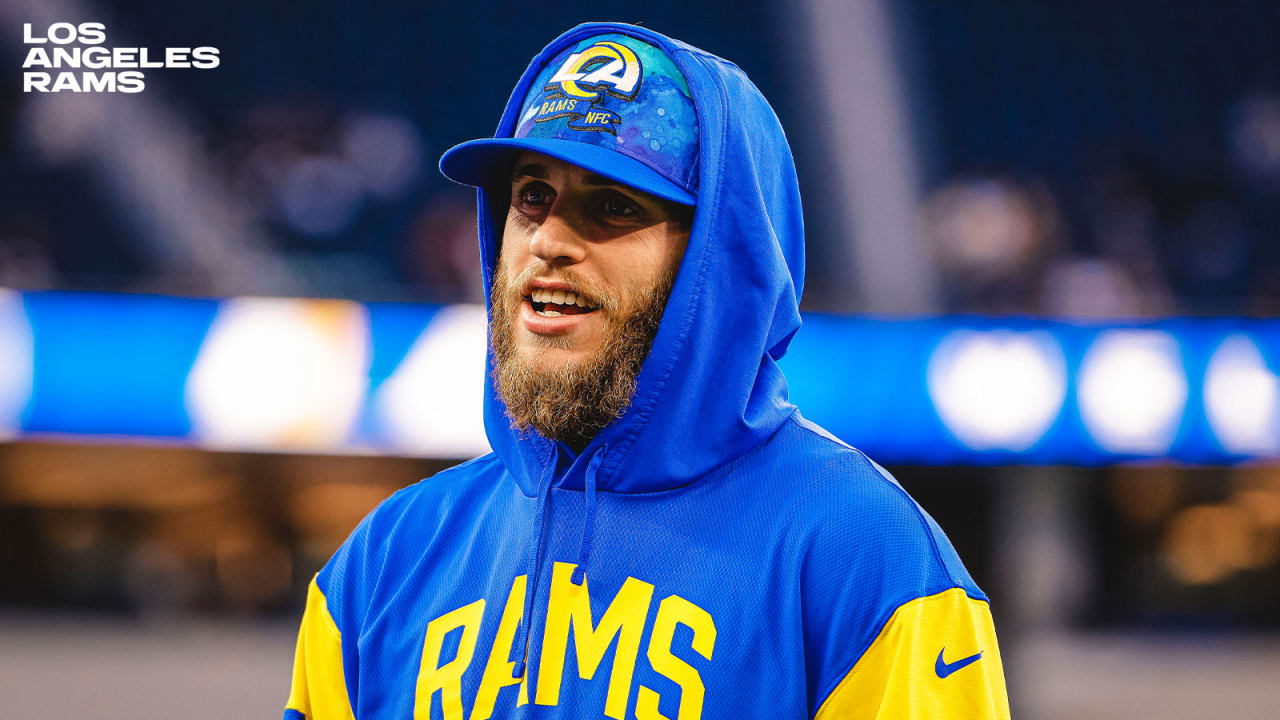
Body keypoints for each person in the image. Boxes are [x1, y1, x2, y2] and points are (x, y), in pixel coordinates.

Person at [284, 22, 1010, 720]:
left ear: (721, 264)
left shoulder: (866, 556)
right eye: (532, 196)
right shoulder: (381, 565)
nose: (548, 241)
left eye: (611, 206)